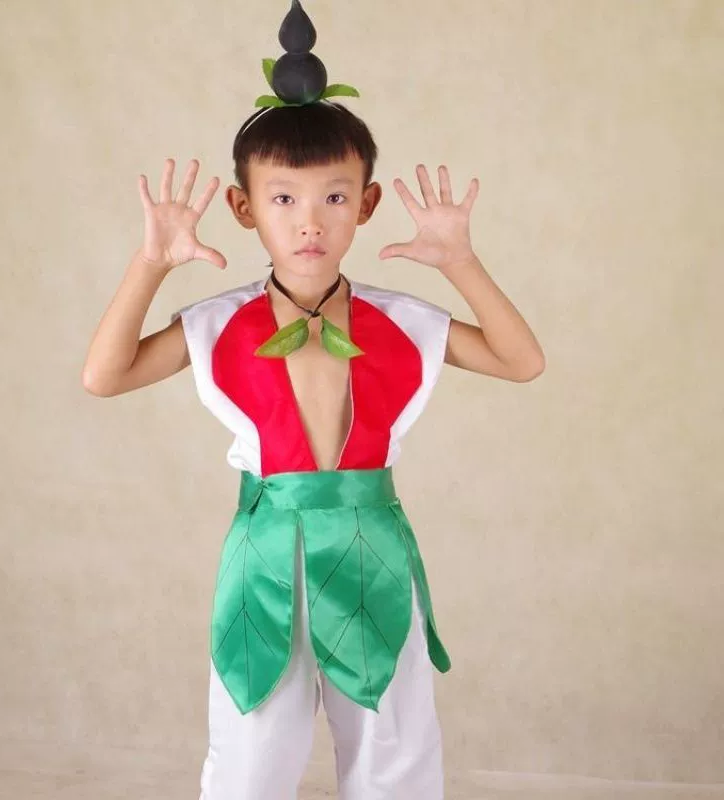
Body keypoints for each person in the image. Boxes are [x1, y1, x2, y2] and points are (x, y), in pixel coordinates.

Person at [82, 3, 545, 798]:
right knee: (252, 746)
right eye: (283, 199)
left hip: (373, 548)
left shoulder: (403, 323)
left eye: (333, 197)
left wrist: (460, 263)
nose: (309, 222)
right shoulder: (217, 324)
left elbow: (521, 360)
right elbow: (105, 374)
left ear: (366, 204)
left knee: (393, 745)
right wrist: (150, 263)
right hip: (267, 554)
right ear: (244, 208)